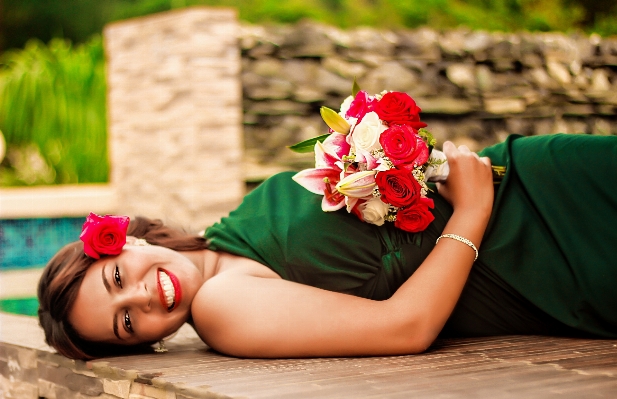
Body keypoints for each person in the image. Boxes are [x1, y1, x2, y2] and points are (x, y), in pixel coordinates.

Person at [38, 133, 617, 360]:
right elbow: (404, 328)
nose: (141, 300)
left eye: (117, 280)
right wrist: (472, 208)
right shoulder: (223, 307)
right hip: (537, 252)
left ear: (126, 240)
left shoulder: (229, 231)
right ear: (145, 344)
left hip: (540, 177)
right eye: (126, 324)